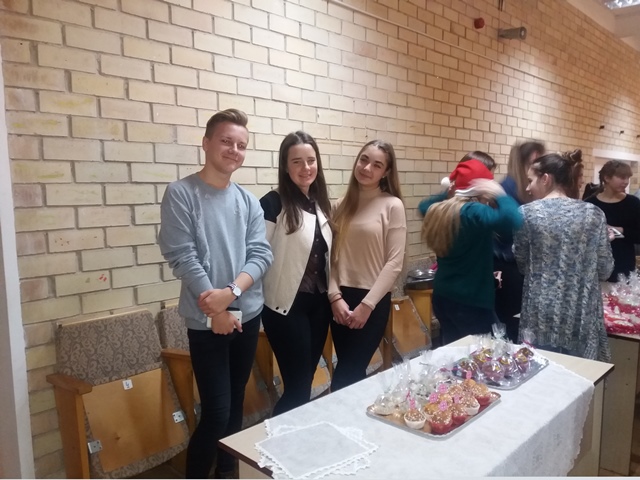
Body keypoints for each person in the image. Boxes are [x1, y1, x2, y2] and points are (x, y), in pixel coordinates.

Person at [158, 109, 273, 479]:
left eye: (241, 145)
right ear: (206, 143)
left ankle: (227, 472)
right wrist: (216, 308)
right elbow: (182, 255)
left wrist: (232, 293)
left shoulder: (249, 201)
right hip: (206, 320)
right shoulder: (181, 193)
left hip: (247, 315)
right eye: (226, 141)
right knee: (216, 412)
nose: (234, 150)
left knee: (236, 402)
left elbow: (261, 254)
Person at [513, 151, 613, 361]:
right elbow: (605, 269)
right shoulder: (594, 214)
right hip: (581, 310)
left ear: (545, 178)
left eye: (531, 180)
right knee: (580, 374)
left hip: (540, 311)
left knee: (539, 371)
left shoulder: (526, 213)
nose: (528, 188)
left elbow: (522, 264)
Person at [259, 132, 332, 416]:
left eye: (311, 160)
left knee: (304, 381)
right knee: (298, 388)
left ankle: (293, 435)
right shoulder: (273, 203)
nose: (306, 168)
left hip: (319, 305)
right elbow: (257, 255)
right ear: (285, 166)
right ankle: (273, 437)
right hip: (285, 307)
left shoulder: (320, 202)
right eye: (297, 161)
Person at [328, 140, 406, 391]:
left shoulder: (392, 205)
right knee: (351, 372)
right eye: (364, 159)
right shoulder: (339, 205)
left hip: (372, 301)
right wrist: (334, 297)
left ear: (386, 172)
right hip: (340, 300)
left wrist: (367, 305)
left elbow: (394, 263)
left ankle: (338, 415)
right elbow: (330, 257)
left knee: (347, 374)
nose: (367, 168)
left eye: (377, 165)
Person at [422, 158, 523, 345]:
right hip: (471, 301)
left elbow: (422, 207)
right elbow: (513, 219)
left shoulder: (440, 209)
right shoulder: (472, 211)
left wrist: (449, 192)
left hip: (443, 296)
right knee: (489, 353)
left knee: (455, 351)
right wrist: (500, 194)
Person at [493, 141, 545, 342]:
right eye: (535, 162)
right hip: (508, 267)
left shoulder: (522, 189)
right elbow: (509, 230)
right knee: (512, 324)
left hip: (520, 265)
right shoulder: (506, 190)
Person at [585, 160, 640, 282]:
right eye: (622, 177)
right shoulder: (590, 204)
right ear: (607, 178)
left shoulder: (633, 203)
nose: (626, 182)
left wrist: (620, 230)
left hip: (624, 265)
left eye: (628, 178)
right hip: (596, 265)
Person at [417, 151, 496, 216]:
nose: (491, 182)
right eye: (488, 178)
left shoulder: (489, 201)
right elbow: (424, 208)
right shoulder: (461, 207)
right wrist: (449, 195)